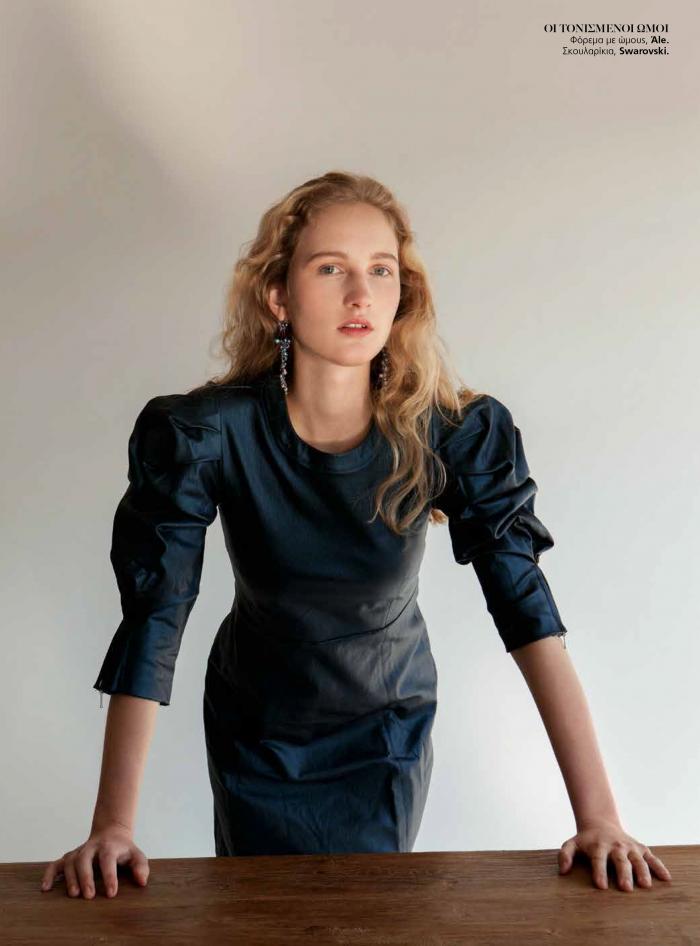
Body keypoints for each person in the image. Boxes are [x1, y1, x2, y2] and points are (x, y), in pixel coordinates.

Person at [41, 171, 672, 898]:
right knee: (260, 916)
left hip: (386, 725)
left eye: (381, 270)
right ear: (278, 296)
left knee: (368, 913)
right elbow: (156, 615)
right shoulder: (206, 434)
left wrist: (600, 817)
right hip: (256, 726)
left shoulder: (452, 433)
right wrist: (113, 826)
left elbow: (527, 612)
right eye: (329, 268)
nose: (360, 295)